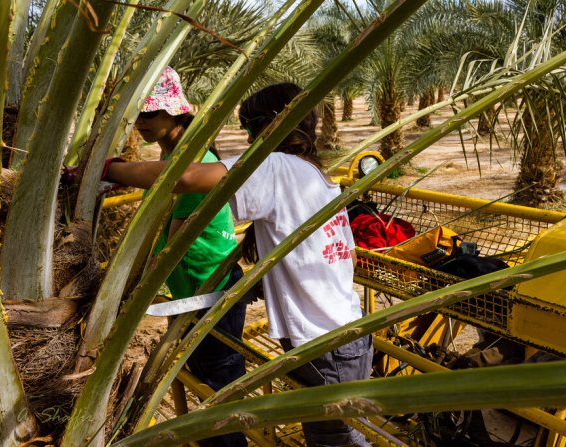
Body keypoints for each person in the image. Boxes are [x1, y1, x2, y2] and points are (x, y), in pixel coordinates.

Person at [105, 82, 373, 447]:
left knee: (339, 442)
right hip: (346, 333)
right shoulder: (315, 173)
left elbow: (184, 178)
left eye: (249, 129)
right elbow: (347, 255)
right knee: (338, 435)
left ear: (270, 126)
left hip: (323, 344)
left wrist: (112, 169)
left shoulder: (275, 166)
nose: (247, 142)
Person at [133, 66, 247, 447]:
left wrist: (130, 290)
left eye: (151, 113)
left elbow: (171, 245)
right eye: (137, 113)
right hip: (191, 287)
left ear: (176, 113)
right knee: (200, 377)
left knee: (217, 384)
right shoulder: (174, 157)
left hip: (212, 286)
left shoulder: (194, 163)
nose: (141, 123)